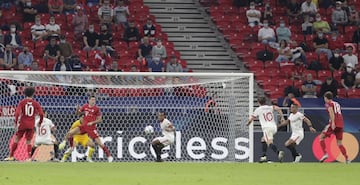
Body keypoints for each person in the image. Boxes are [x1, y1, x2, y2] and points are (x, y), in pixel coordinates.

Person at [59, 96, 113, 162]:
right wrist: (77, 109)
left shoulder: (96, 109)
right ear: (89, 100)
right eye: (92, 100)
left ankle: (109, 156)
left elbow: (100, 120)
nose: (93, 101)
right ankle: (69, 145)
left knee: (99, 143)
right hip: (84, 127)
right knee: (70, 133)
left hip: (91, 128)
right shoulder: (85, 106)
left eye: (94, 100)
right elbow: (77, 114)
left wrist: (92, 122)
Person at [4, 87, 44, 161]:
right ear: (33, 94)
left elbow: (17, 113)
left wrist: (16, 122)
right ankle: (29, 158)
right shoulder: (36, 103)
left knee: (16, 140)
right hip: (31, 125)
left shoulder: (22, 102)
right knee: (28, 142)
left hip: (22, 124)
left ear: (25, 93)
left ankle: (11, 156)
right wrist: (40, 122)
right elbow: (41, 114)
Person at [246, 97, 285, 163]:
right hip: (274, 127)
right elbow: (278, 108)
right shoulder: (270, 107)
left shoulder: (258, 109)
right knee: (263, 139)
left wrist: (247, 123)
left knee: (269, 142)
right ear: (265, 102)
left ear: (258, 102)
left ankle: (278, 152)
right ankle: (264, 156)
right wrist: (282, 117)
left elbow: (251, 119)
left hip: (267, 128)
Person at [319, 91, 349, 163]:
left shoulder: (328, 104)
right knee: (339, 143)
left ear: (326, 98)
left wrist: (332, 122)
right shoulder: (337, 103)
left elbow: (331, 112)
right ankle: (347, 159)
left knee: (321, 137)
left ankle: (325, 154)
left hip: (334, 123)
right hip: (340, 124)